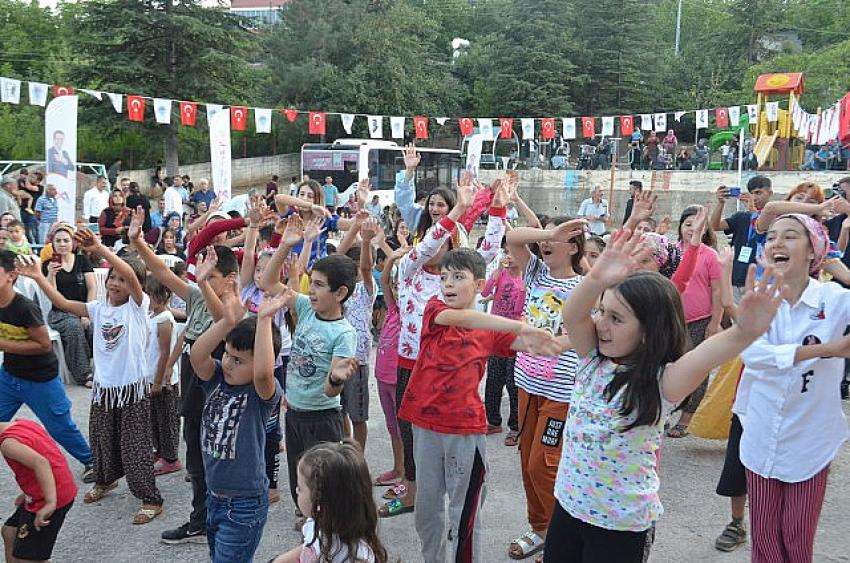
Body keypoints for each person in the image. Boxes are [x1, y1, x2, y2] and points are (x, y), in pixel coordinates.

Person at [543, 228, 783, 562]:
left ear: (649, 331)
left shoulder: (661, 383)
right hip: (569, 506)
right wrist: (597, 277)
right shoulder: (593, 359)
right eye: (601, 312)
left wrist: (745, 331)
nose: (601, 324)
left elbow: (709, 354)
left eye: (616, 318)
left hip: (621, 525)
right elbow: (572, 314)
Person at [399, 248, 566, 562]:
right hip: (425, 425)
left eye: (458, 277)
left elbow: (539, 345)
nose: (448, 283)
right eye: (444, 276)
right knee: (427, 510)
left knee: (465, 513)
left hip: (465, 431)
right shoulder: (436, 310)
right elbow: (464, 318)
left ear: (478, 284)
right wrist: (521, 325)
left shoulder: (489, 330)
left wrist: (566, 336)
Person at [379, 175, 506, 519]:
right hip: (410, 366)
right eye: (433, 242)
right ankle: (413, 493)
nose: (435, 248)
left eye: (444, 243)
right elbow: (425, 243)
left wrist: (498, 207)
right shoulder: (410, 270)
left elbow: (491, 251)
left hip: (451, 371)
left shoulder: (457, 281)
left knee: (445, 440)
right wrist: (459, 209)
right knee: (409, 434)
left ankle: (450, 499)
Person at [19, 229, 164, 524]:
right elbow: (61, 303)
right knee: (101, 440)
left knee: (134, 446)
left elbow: (129, 273)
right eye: (112, 278)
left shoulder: (139, 307)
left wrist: (99, 249)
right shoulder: (98, 309)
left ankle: (150, 497)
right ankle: (105, 479)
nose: (115, 283)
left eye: (122, 280)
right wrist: (37, 277)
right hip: (104, 389)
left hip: (131, 391)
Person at [732, 213, 850, 562]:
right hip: (761, 430)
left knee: (797, 539)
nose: (777, 243)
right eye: (771, 238)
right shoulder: (759, 296)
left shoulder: (834, 299)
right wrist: (825, 350)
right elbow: (753, 354)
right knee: (764, 539)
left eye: (791, 237)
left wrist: (845, 273)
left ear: (814, 252)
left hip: (810, 441)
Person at [503, 218, 585, 560]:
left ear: (575, 247)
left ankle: (561, 536)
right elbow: (513, 237)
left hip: (560, 392)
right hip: (526, 385)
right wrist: (550, 233)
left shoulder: (584, 287)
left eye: (561, 238)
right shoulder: (536, 273)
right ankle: (540, 528)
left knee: (543, 464)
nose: (548, 243)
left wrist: (558, 343)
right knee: (526, 462)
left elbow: (589, 332)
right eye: (548, 236)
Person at [189, 287, 284, 562]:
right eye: (228, 355)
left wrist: (264, 319)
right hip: (214, 496)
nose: (229, 363)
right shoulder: (218, 377)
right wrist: (227, 322)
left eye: (239, 360)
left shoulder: (260, 393)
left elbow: (265, 373)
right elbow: (197, 355)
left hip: (244, 504)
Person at [0, 250, 93, 478]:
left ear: (11, 276)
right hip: (9, 375)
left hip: (40, 379)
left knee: (60, 428)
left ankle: (93, 461)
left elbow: (44, 345)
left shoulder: (23, 307)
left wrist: (3, 345)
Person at [270, 441, 388, 563]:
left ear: (320, 501)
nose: (296, 490)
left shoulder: (355, 557)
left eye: (300, 488)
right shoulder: (317, 524)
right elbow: (307, 548)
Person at [666, 206, 723, 438]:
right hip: (671, 321)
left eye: (697, 224)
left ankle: (685, 419)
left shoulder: (709, 255)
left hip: (700, 322)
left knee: (697, 370)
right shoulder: (669, 251)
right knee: (669, 368)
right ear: (680, 227)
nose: (691, 229)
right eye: (687, 224)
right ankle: (666, 413)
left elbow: (718, 291)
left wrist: (715, 322)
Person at [0, 419, 77, 563]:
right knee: (9, 531)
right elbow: (49, 456)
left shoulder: (8, 445)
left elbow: (41, 463)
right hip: (52, 488)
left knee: (26, 559)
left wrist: (49, 502)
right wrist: (28, 491)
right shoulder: (22, 423)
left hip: (52, 498)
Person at [41, 224, 96, 387]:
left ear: (72, 242)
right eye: (58, 241)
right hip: (60, 313)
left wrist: (87, 313)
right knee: (74, 327)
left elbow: (92, 287)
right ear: (53, 244)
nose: (62, 244)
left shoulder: (82, 260)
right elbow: (52, 295)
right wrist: (50, 274)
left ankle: (101, 369)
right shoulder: (48, 265)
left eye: (66, 240)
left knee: (97, 327)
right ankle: (84, 374)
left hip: (83, 309)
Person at [480, 244, 525, 445]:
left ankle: (515, 427)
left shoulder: (525, 278)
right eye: (507, 252)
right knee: (493, 382)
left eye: (514, 253)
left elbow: (518, 310)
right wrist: (497, 272)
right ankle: (493, 420)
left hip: (514, 338)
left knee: (513, 384)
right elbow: (484, 292)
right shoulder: (501, 274)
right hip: (495, 336)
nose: (510, 256)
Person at [372, 246, 409, 487]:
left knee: (405, 429)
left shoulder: (410, 312)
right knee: (392, 427)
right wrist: (392, 259)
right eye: (395, 287)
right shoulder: (392, 309)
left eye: (400, 286)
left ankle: (408, 475)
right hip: (382, 378)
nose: (396, 290)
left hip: (399, 380)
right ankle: (398, 467)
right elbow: (384, 282)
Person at [709, 175, 773, 302]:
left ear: (770, 193)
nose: (755, 197)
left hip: (760, 282)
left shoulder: (777, 219)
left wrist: (754, 212)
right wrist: (720, 203)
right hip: (736, 279)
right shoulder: (742, 217)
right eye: (752, 193)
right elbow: (714, 226)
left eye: (759, 193)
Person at [146, 278, 182, 477]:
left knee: (167, 419)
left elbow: (164, 352)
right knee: (155, 418)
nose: (148, 300)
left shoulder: (165, 319)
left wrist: (159, 381)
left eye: (151, 296)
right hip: (150, 377)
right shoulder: (152, 315)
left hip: (163, 379)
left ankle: (171, 458)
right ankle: (159, 451)